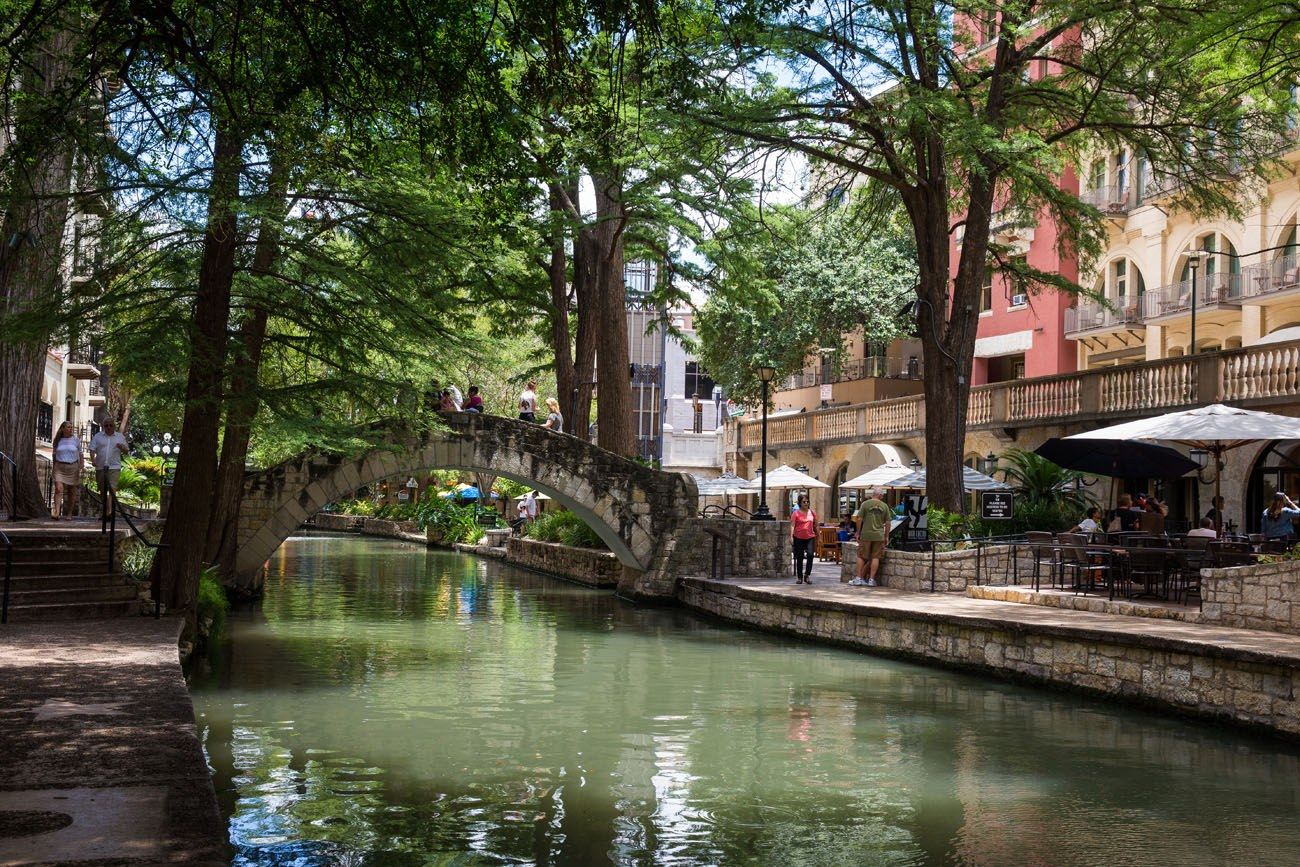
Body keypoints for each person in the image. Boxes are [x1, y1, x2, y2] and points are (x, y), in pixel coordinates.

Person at [851, 487, 892, 587]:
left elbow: (859, 519)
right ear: (879, 495)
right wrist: (886, 536)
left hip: (866, 534)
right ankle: (871, 580)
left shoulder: (865, 504)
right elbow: (888, 523)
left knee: (861, 556)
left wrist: (858, 532)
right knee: (875, 557)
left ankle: (859, 578)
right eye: (882, 495)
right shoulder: (885, 506)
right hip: (879, 535)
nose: (882, 497)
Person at [89, 418, 129, 518]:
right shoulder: (98, 436)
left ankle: (110, 512)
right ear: (103, 426)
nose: (108, 427)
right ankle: (107, 510)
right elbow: (92, 449)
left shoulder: (120, 437)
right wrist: (93, 460)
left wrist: (122, 448)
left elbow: (127, 451)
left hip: (114, 466)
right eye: (106, 425)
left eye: (110, 425)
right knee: (102, 490)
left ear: (114, 426)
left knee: (112, 488)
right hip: (100, 467)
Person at [50, 421, 83, 520]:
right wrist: (54, 464)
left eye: (71, 427)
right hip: (59, 467)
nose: (70, 429)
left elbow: (80, 453)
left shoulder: (76, 440)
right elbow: (54, 454)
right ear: (63, 428)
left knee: (71, 491)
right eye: (68, 427)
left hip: (73, 466)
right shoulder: (57, 440)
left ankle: (69, 514)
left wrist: (81, 465)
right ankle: (56, 512)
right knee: (58, 489)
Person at [790, 494, 818, 584]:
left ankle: (807, 575)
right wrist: (791, 536)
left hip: (810, 537)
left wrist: (819, 537)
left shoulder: (812, 512)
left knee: (810, 555)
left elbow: (816, 525)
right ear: (800, 503)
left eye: (807, 501)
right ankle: (799, 577)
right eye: (804, 502)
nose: (806, 503)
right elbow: (792, 525)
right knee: (800, 557)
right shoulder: (796, 513)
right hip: (798, 537)